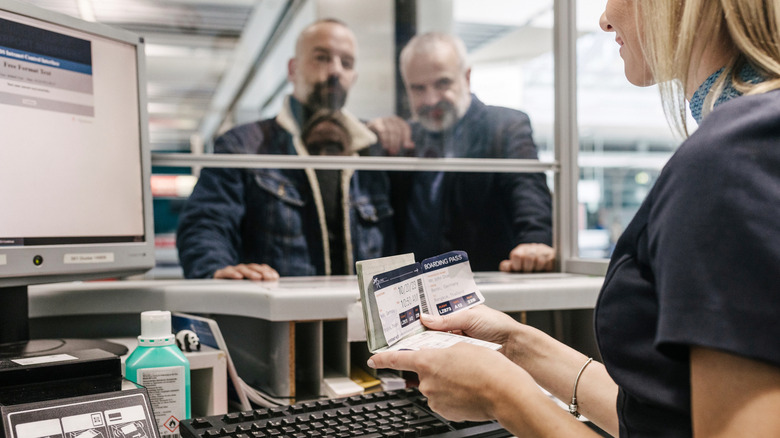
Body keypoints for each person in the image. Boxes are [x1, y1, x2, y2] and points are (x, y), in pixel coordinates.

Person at [368, 1, 780, 436]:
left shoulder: (732, 158)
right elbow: (664, 413)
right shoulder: (753, 137)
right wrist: (516, 345)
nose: (604, 17)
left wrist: (502, 396)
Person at [176, 19, 394, 280]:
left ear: (353, 77)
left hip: (360, 319)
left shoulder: (374, 153)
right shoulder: (244, 146)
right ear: (293, 69)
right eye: (322, 58)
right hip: (280, 318)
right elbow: (205, 224)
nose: (335, 70)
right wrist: (217, 270)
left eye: (346, 63)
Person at [370, 32, 554, 273]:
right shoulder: (406, 136)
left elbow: (528, 193)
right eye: (418, 89)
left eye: (442, 83)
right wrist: (371, 133)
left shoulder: (505, 127)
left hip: (485, 290)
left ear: (466, 77)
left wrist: (535, 243)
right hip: (414, 296)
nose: (431, 99)